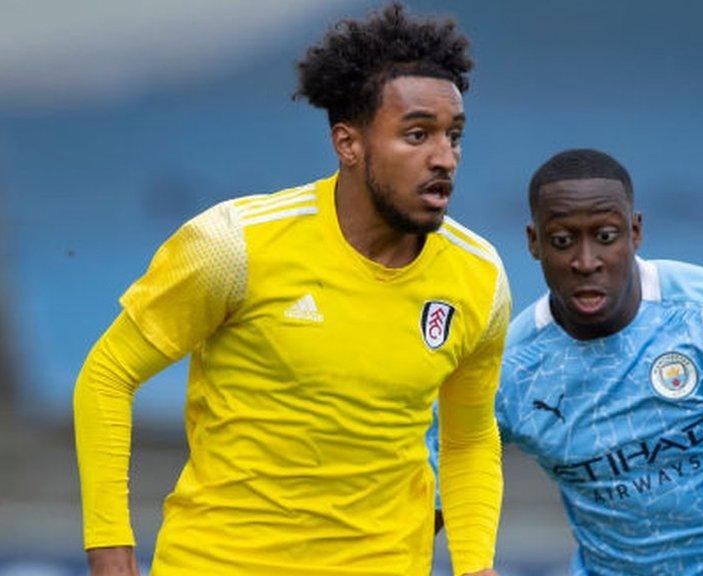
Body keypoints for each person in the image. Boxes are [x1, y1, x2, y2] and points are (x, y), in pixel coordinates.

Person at [73, 4, 508, 576]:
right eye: (417, 134)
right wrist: (110, 551)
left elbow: (470, 437)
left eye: (454, 136)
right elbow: (107, 375)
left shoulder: (479, 277)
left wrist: (475, 565)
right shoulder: (233, 247)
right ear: (348, 143)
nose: (444, 157)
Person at [432, 148, 703, 574]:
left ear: (636, 232)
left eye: (606, 237)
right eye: (563, 240)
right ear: (534, 242)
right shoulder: (512, 369)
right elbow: (432, 493)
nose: (586, 262)